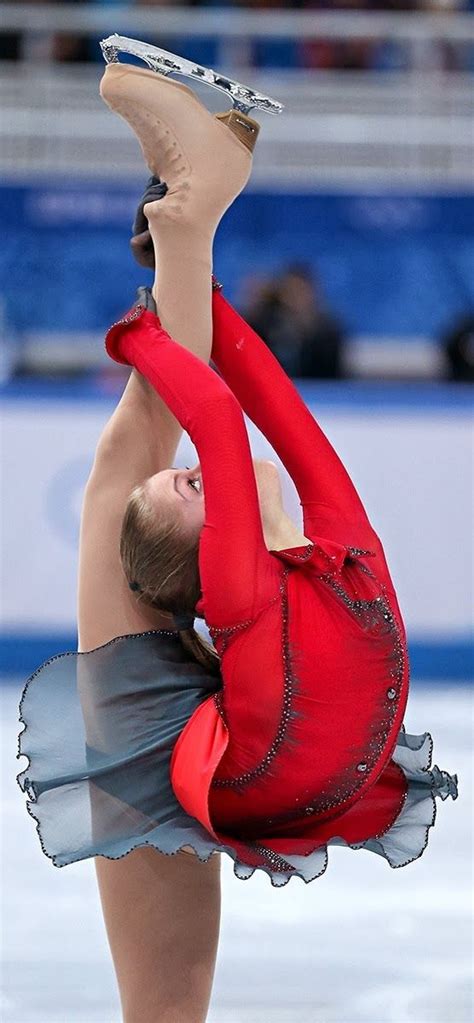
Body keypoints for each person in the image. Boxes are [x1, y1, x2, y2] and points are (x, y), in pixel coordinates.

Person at [18, 41, 458, 1023]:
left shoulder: (306, 554)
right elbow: (213, 421)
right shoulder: (254, 569)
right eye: (190, 493)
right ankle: (193, 203)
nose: (185, 480)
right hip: (225, 739)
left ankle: (193, 204)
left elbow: (235, 419)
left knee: (132, 450)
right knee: (130, 452)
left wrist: (181, 295)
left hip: (246, 739)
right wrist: (153, 317)